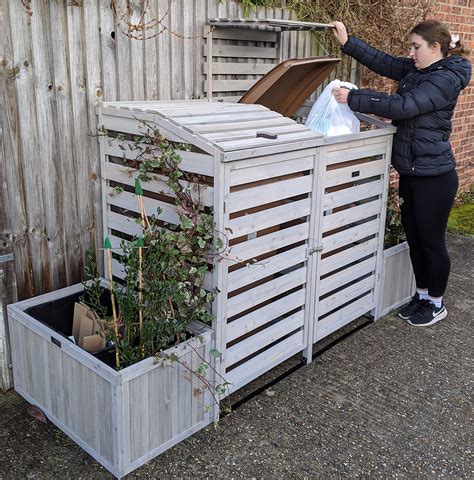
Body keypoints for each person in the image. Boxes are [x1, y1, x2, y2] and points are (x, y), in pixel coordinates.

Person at [331, 20, 471, 327]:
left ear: (436, 48)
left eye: (416, 47)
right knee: (415, 239)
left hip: (435, 177)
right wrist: (348, 42)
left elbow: (405, 106)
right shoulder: (421, 71)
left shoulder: (445, 78)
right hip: (412, 171)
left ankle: (436, 302)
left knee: (431, 242)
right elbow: (385, 62)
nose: (411, 53)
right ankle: (421, 295)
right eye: (411, 46)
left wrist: (353, 98)